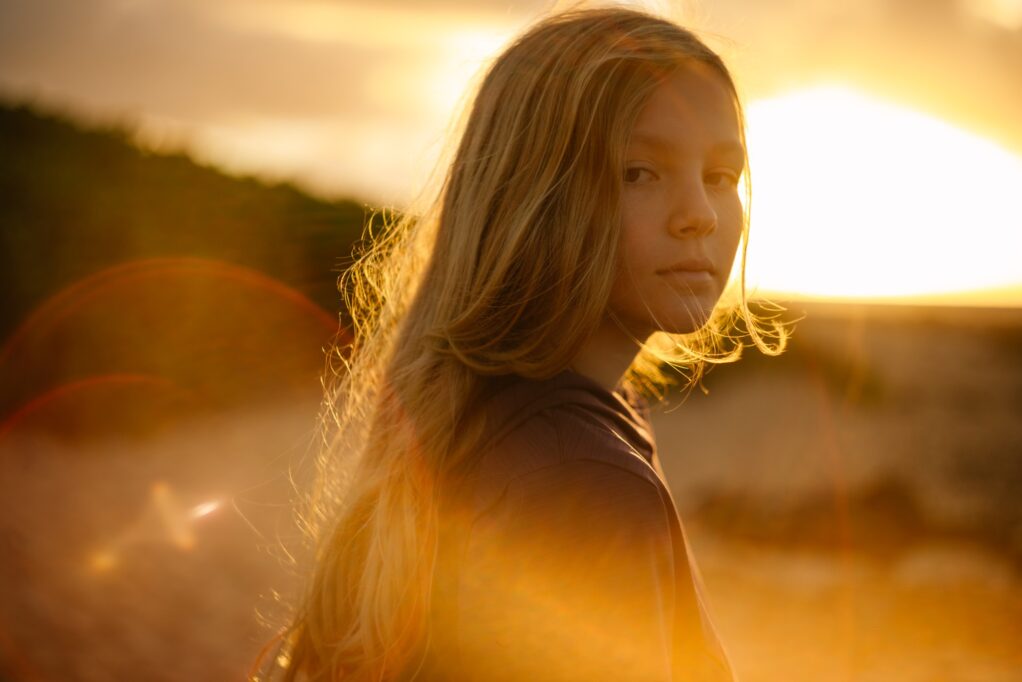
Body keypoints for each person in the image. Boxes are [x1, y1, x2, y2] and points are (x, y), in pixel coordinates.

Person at [256, 5, 785, 681]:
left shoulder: (491, 413)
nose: (701, 215)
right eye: (639, 172)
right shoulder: (581, 477)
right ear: (536, 195)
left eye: (720, 176)